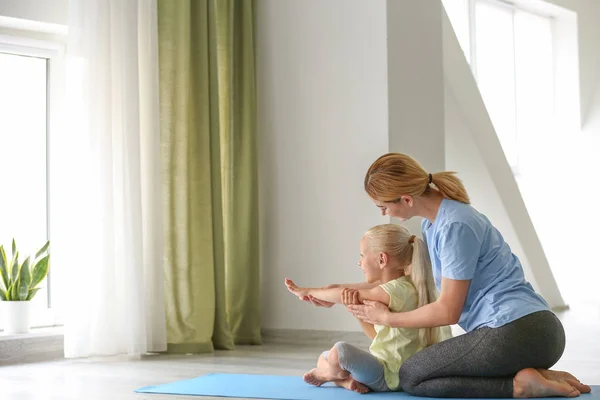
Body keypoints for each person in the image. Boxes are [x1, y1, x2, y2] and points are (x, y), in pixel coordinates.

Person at [343, 153, 591, 398]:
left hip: (516, 331)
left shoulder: (454, 225)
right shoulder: (434, 224)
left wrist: (387, 318)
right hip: (527, 330)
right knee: (422, 369)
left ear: (406, 199)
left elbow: (447, 312)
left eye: (383, 206)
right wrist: (331, 292)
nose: (383, 213)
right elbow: (399, 284)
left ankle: (518, 386)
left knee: (411, 375)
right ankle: (538, 375)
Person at [285, 223, 451, 393]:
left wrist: (307, 291)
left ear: (381, 259)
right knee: (324, 358)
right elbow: (377, 336)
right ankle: (344, 380)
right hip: (383, 370)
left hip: (389, 376)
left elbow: (346, 292)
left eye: (362, 255)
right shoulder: (405, 286)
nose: (359, 262)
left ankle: (330, 376)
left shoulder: (395, 291)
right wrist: (351, 304)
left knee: (340, 352)